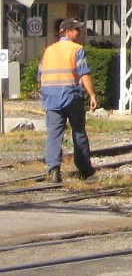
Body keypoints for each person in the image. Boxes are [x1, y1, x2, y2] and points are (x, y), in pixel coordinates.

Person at [38, 18, 99, 183]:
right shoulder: (77, 49)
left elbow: (40, 74)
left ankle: (54, 170)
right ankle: (85, 170)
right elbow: (84, 73)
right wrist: (92, 95)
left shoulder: (48, 50)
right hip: (71, 96)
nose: (79, 33)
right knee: (78, 131)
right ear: (66, 31)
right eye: (76, 29)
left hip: (51, 98)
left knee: (54, 133)